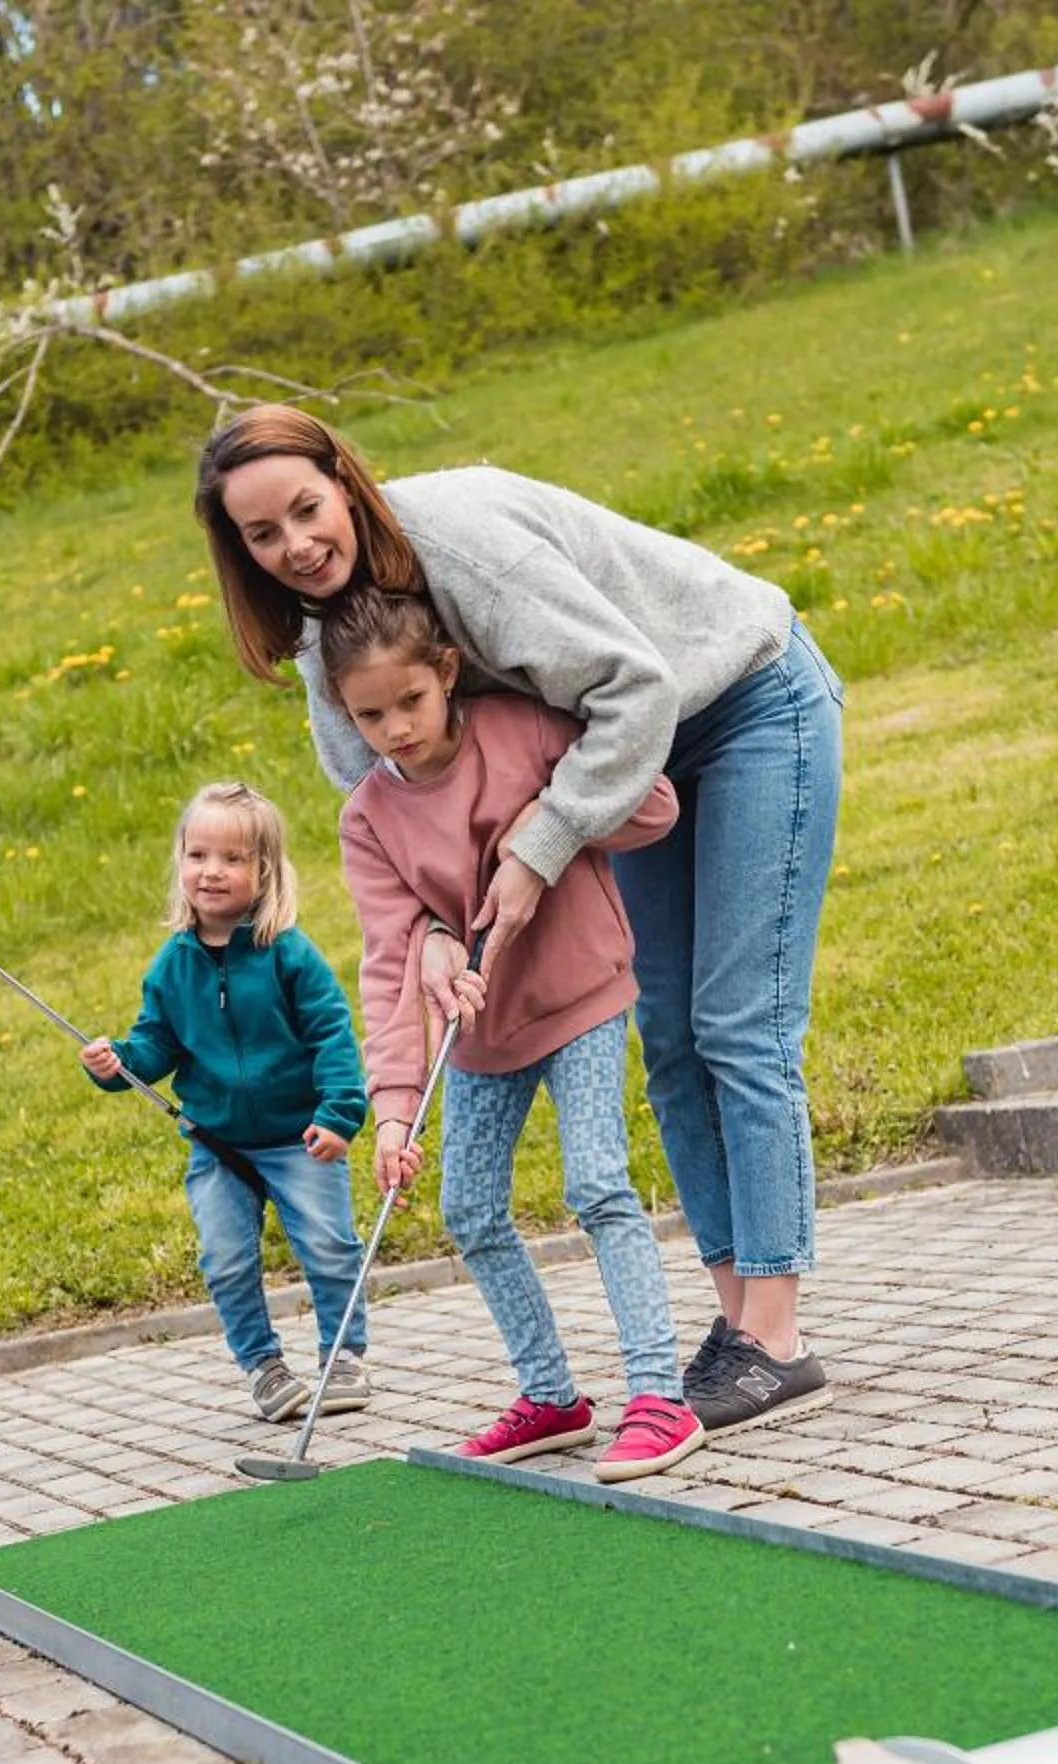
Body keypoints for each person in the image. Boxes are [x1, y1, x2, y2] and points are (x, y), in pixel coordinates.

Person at [195, 406, 843, 1439]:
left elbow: (640, 688)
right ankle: (733, 1326)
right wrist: (438, 932)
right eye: (262, 536)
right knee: (671, 1041)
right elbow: (393, 815)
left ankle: (774, 1339)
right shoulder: (331, 646)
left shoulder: (460, 551)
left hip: (737, 704)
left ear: (342, 478)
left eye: (306, 510)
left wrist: (540, 849)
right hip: (615, 771)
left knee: (737, 1025)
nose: (296, 546)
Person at [325, 589, 699, 1482]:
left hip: (580, 997)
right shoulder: (367, 818)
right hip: (480, 1032)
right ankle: (551, 1397)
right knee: (470, 1210)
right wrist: (393, 1111)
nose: (394, 730)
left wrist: (553, 815)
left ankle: (660, 1394)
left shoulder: (524, 729)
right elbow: (388, 961)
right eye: (368, 715)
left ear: (446, 672)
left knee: (599, 1183)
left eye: (408, 702)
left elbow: (656, 809)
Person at [82, 783, 374, 1422]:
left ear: (264, 872)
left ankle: (344, 1357)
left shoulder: (290, 956)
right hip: (218, 1143)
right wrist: (118, 1065)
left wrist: (339, 1114)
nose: (212, 871)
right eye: (198, 855)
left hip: (301, 1136)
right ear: (180, 862)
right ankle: (264, 1368)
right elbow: (155, 1047)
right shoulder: (171, 967)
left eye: (233, 859)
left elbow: (333, 1036)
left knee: (329, 1245)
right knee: (225, 1256)